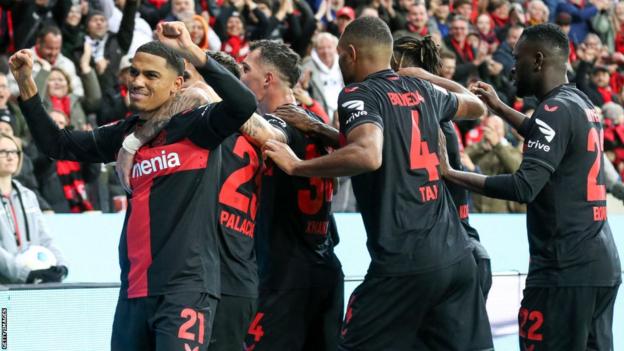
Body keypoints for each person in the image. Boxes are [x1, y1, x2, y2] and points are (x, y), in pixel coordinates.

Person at [9, 21, 257, 350]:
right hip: (134, 291)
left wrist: (192, 51)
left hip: (185, 289)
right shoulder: (125, 133)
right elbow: (57, 144)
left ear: (177, 84)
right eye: (134, 72)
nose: (137, 81)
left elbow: (244, 104)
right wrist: (26, 83)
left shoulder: (198, 126)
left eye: (151, 75)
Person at [263, 17, 492, 350]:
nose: (340, 63)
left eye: (340, 55)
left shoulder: (358, 92)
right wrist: (428, 77)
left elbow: (369, 154)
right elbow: (477, 106)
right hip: (457, 257)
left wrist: (298, 165)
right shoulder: (423, 90)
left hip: (404, 262)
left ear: (351, 54)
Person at [445, 23, 621, 350]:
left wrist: (452, 173)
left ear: (538, 61)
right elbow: (544, 133)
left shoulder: (552, 110)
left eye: (518, 58)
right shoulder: (579, 102)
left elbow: (524, 187)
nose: (513, 67)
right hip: (602, 267)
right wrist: (499, 107)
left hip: (564, 271)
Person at [240, 40, 343, 351]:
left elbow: (270, 134)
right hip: (324, 264)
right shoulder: (315, 121)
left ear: (268, 79)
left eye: (246, 69)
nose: (240, 77)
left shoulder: (279, 121)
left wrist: (220, 102)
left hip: (284, 277)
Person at [391, 34, 492, 299]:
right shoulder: (440, 106)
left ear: (396, 63)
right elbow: (472, 102)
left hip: (433, 249)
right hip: (468, 243)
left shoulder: (404, 108)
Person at [0, 132, 67, 284]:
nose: (10, 156)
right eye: (3, 152)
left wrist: (62, 266)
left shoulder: (28, 195)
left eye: (14, 151)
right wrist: (26, 274)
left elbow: (45, 237)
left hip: (29, 284)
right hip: (4, 288)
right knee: (5, 310)